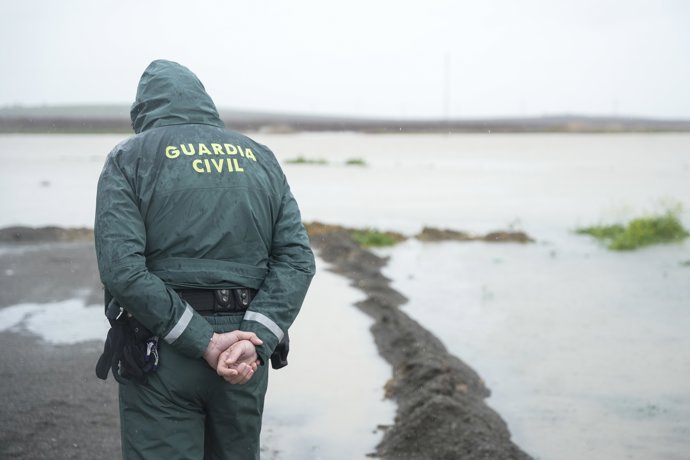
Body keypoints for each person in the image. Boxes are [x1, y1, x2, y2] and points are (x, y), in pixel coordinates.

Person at [94, 59, 315, 460]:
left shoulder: (129, 157)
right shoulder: (260, 157)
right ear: (204, 101)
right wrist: (255, 339)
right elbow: (297, 261)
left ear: (143, 109)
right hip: (244, 357)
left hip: (162, 354)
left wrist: (204, 342)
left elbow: (121, 269)